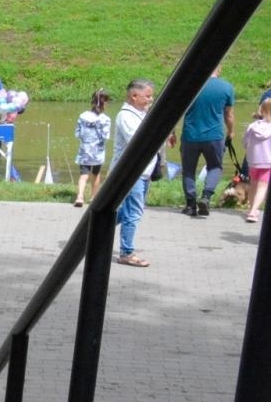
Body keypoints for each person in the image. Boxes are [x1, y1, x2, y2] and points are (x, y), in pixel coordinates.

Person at [173, 65, 235, 217]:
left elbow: (175, 112)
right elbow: (229, 115)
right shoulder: (226, 87)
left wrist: (172, 132)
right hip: (214, 136)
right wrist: (231, 132)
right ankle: (206, 197)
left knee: (188, 171)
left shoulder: (189, 84)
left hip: (190, 136)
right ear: (219, 69)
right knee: (215, 167)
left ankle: (190, 205)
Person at [114, 79, 159, 267]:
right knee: (133, 213)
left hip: (143, 172)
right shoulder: (126, 116)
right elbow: (137, 140)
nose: (151, 99)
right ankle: (126, 252)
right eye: (147, 96)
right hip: (131, 172)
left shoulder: (141, 113)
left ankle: (93, 230)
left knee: (126, 211)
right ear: (134, 96)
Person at [73, 89, 112, 208]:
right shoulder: (105, 119)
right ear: (104, 103)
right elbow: (106, 136)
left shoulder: (83, 116)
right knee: (96, 173)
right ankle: (94, 197)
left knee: (83, 174)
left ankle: (80, 196)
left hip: (84, 149)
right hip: (98, 151)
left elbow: (77, 133)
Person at [243, 96, 271, 224]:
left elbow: (245, 143)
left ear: (262, 110)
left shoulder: (252, 126)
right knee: (263, 187)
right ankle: (254, 211)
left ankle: (250, 208)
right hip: (268, 162)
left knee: (254, 184)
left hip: (253, 161)